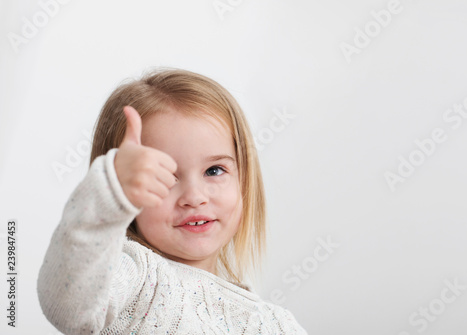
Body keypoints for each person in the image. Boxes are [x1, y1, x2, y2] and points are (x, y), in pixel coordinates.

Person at [37, 67, 308, 334]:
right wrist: (109, 190)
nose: (194, 198)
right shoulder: (135, 280)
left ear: (244, 180)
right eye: (165, 176)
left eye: (214, 171)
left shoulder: (275, 324)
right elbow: (71, 308)